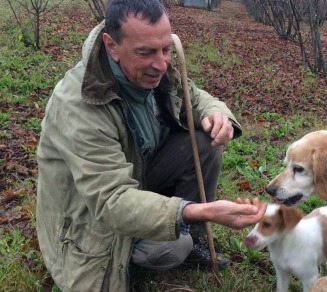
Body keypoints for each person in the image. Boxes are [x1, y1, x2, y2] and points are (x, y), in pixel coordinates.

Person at [35, 0, 267, 291]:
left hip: (139, 177)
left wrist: (216, 114)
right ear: (111, 45)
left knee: (206, 141)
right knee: (170, 247)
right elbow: (111, 201)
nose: (161, 64)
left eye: (166, 49)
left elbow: (193, 96)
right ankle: (131, 254)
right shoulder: (80, 103)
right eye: (145, 52)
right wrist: (199, 211)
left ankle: (190, 238)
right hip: (90, 215)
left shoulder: (155, 69)